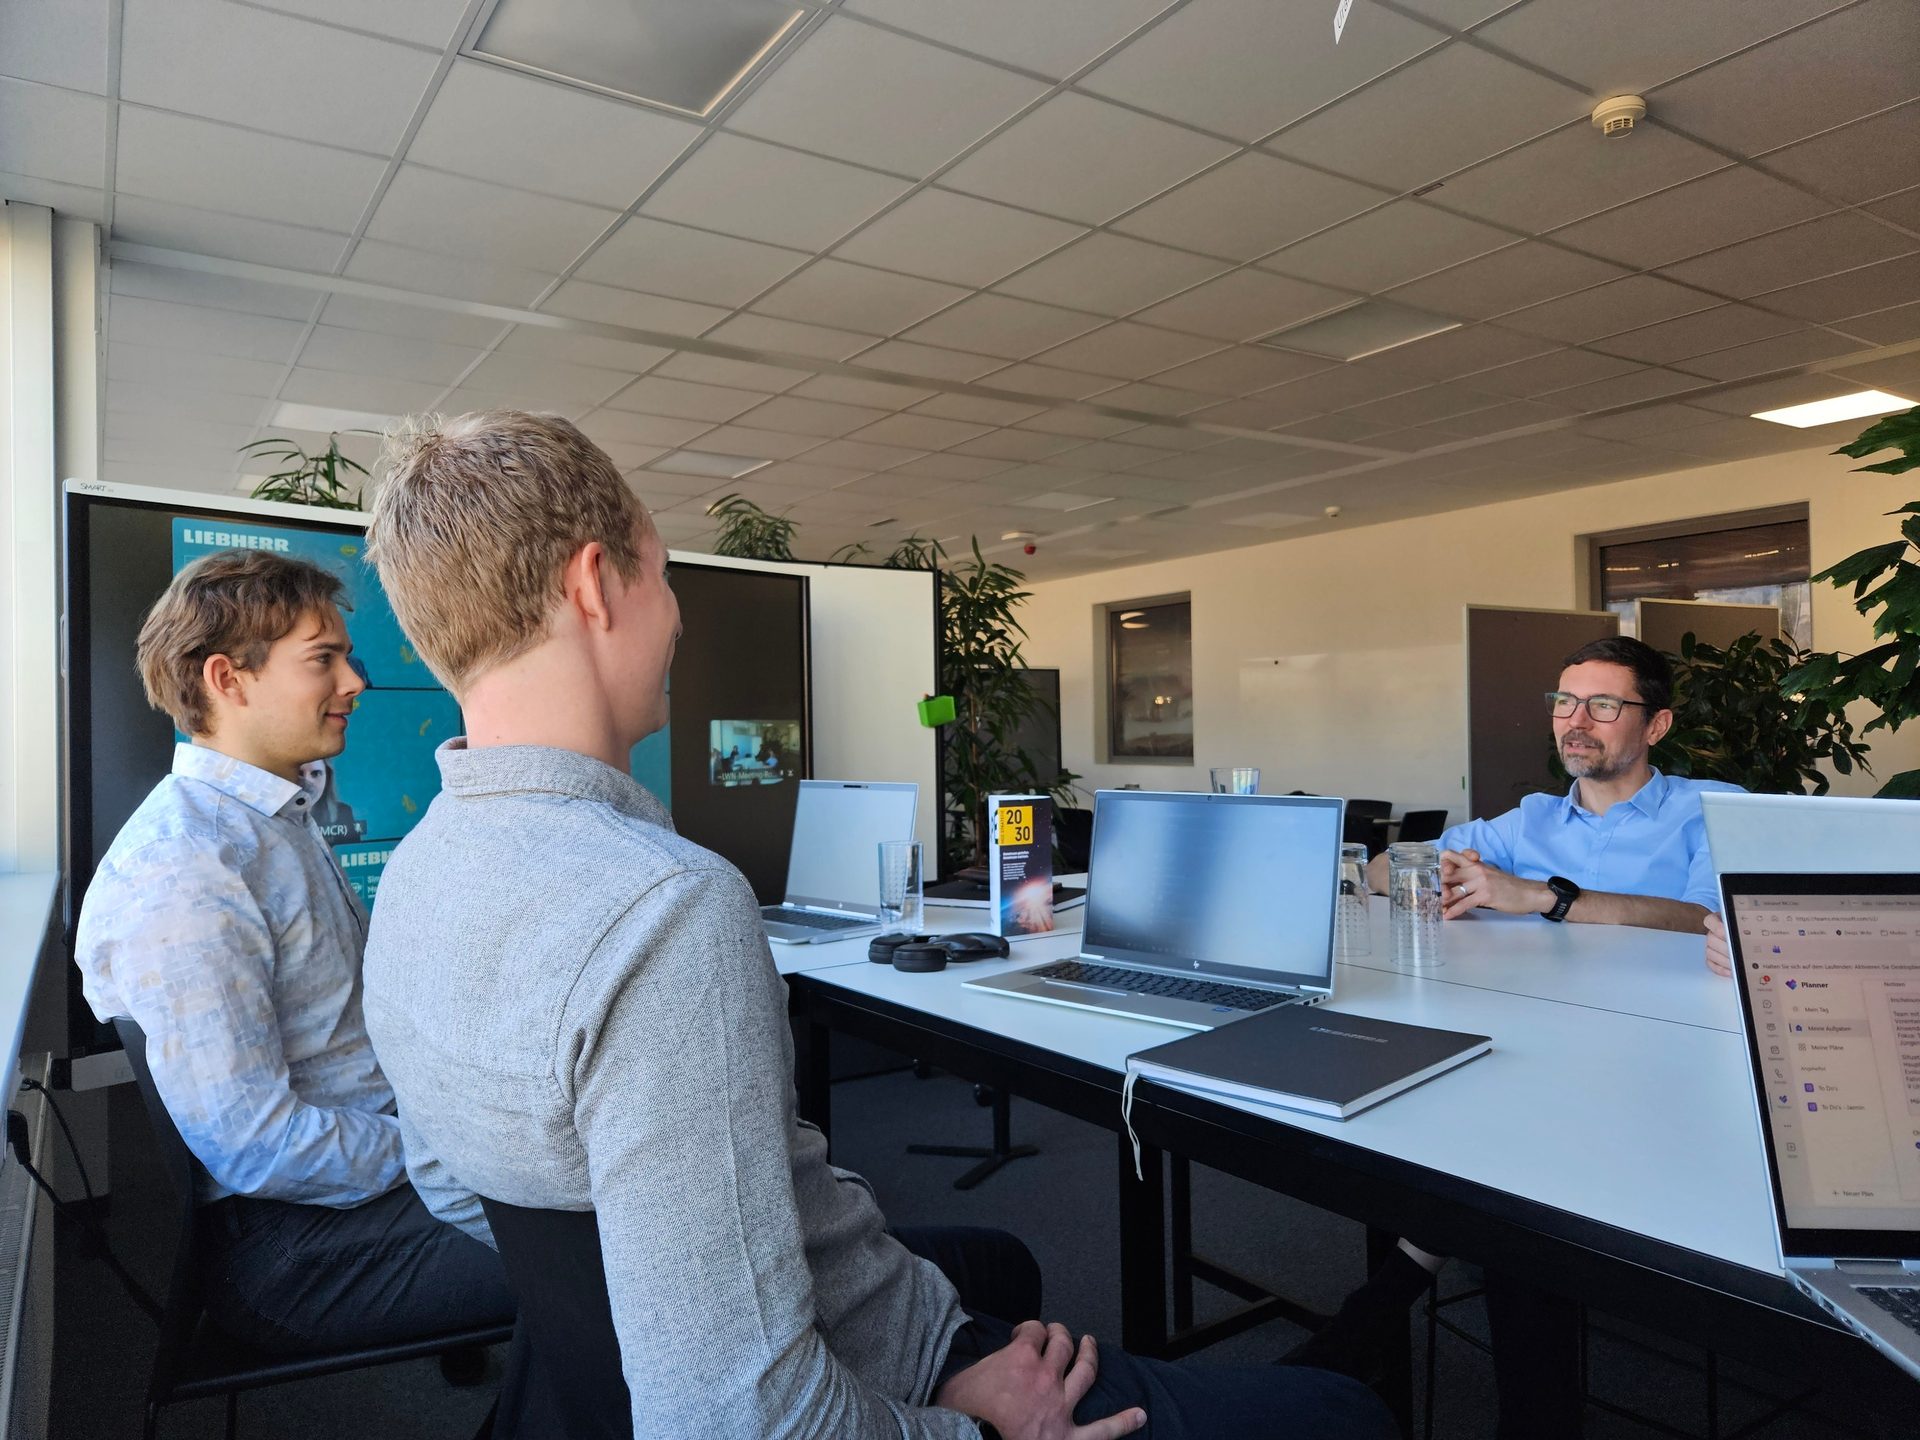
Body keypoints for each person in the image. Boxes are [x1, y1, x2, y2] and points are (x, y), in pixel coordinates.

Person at [358, 410, 1395, 1440]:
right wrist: (966, 1425)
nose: (675, 617)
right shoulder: (662, 910)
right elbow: (739, 1420)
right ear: (594, 586)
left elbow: (459, 1192)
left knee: (999, 1264)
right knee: (1342, 1414)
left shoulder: (415, 878)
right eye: (662, 576)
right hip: (858, 1376)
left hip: (625, 1378)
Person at [74, 550, 514, 1356]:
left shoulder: (275, 816)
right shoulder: (186, 869)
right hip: (292, 1247)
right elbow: (256, 1144)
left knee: (593, 1213)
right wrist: (449, 1149)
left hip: (354, 1181)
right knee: (607, 1262)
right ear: (228, 680)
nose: (355, 682)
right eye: (324, 659)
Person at [1318, 635, 1744, 1436]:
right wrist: (1427, 874)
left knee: (1514, 1173)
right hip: (1534, 1050)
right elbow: (1385, 869)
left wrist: (1544, 897)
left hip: (1660, 1069)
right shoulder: (1530, 819)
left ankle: (1379, 1317)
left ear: (1655, 726)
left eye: (1603, 705)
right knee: (1444, 1114)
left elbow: (1703, 920)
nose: (1576, 721)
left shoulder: (1705, 809)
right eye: (1564, 702)